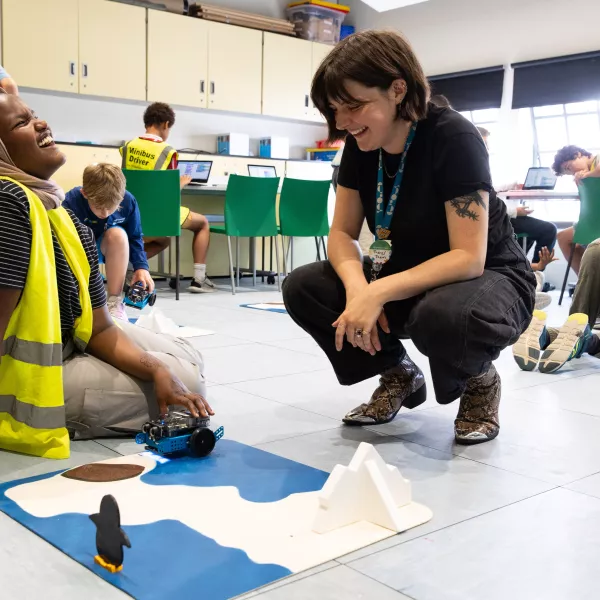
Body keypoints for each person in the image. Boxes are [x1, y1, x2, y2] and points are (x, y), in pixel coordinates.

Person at [282, 30, 535, 445]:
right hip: (402, 272)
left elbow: (468, 258)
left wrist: (378, 293)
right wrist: (360, 288)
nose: (343, 122)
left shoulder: (454, 137)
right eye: (334, 109)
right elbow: (343, 234)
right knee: (305, 286)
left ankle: (480, 381)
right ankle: (398, 372)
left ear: (398, 89)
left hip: (487, 278)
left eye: (355, 105)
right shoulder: (359, 146)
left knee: (444, 315)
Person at [0, 91, 212, 460]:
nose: (41, 123)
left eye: (33, 114)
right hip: (31, 377)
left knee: (185, 363)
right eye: (21, 122)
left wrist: (156, 369)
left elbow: (99, 329)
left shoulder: (60, 214)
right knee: (188, 390)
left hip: (75, 340)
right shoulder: (10, 202)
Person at [120, 102, 215, 293]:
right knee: (203, 223)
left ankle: (129, 271)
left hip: (129, 215)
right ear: (165, 124)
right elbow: (169, 193)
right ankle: (199, 279)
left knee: (163, 241)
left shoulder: (127, 146)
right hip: (157, 216)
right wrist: (181, 182)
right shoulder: (167, 151)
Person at [63, 163, 154, 321]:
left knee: (118, 235)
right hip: (77, 249)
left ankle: (115, 302)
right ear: (84, 193)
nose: (105, 214)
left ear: (121, 197)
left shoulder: (128, 201)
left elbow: (135, 237)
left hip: (108, 247)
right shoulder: (71, 201)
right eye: (98, 207)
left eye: (111, 207)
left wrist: (141, 267)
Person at [477, 127, 558, 269]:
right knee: (548, 230)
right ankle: (535, 271)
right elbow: (483, 203)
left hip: (498, 218)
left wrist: (514, 184)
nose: (488, 149)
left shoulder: (479, 168)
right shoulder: (474, 169)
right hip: (496, 220)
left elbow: (490, 189)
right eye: (485, 144)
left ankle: (529, 269)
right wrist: (515, 211)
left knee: (534, 233)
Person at [552, 145, 600, 276]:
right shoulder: (583, 176)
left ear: (577, 154)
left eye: (569, 167)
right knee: (563, 237)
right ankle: (586, 284)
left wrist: (586, 175)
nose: (573, 173)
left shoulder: (597, 158)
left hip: (595, 227)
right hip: (594, 225)